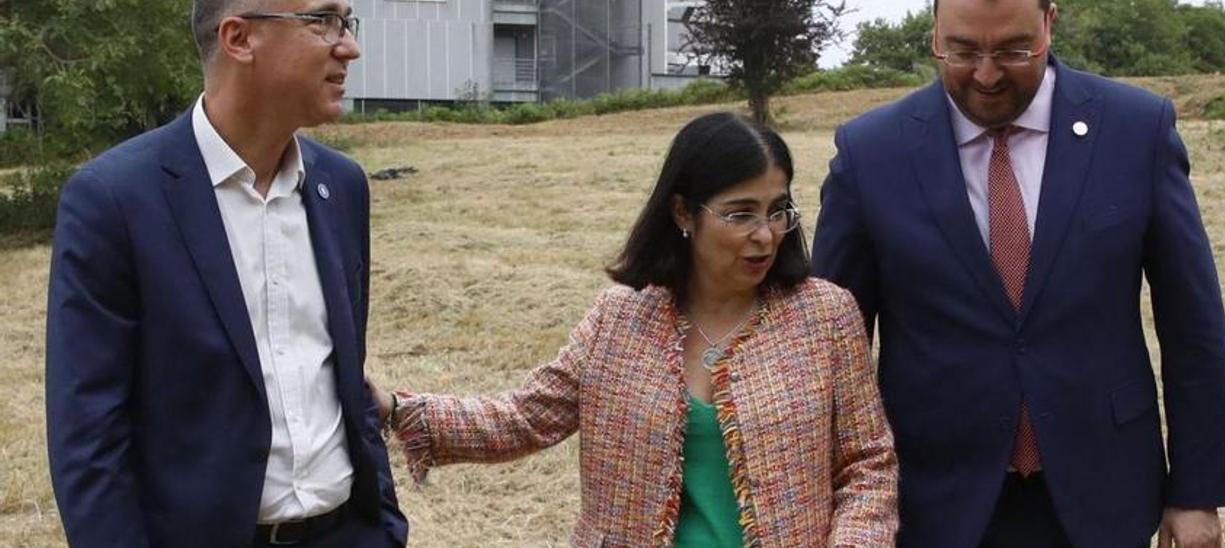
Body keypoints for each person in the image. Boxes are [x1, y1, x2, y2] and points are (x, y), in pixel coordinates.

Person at [811, 0, 1225, 546]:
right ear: (934, 29)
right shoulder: (870, 153)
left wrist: (1195, 492)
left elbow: (1192, 325)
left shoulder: (1135, 130)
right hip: (933, 499)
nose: (986, 75)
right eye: (961, 51)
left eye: (1013, 50)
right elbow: (830, 347)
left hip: (1104, 492)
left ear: (1050, 23)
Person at [370, 112, 898, 546]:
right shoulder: (619, 321)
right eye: (740, 214)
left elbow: (867, 463)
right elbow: (524, 418)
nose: (766, 235)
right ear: (683, 213)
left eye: (778, 210)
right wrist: (397, 410)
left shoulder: (825, 317)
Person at [44, 1, 407, 546]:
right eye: (322, 21)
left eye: (346, 22)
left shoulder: (342, 186)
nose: (348, 46)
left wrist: (384, 522)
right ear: (239, 39)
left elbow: (344, 376)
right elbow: (89, 443)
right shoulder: (113, 202)